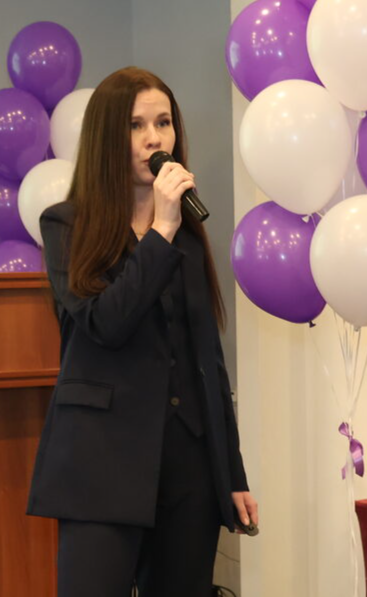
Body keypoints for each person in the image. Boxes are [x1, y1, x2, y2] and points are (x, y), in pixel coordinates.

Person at [27, 66, 258, 597]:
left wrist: (231, 473)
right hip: (100, 462)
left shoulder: (187, 234)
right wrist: (161, 229)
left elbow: (208, 360)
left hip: (188, 466)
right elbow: (105, 323)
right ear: (107, 136)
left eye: (163, 123)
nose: (155, 139)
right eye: (136, 125)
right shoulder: (66, 225)